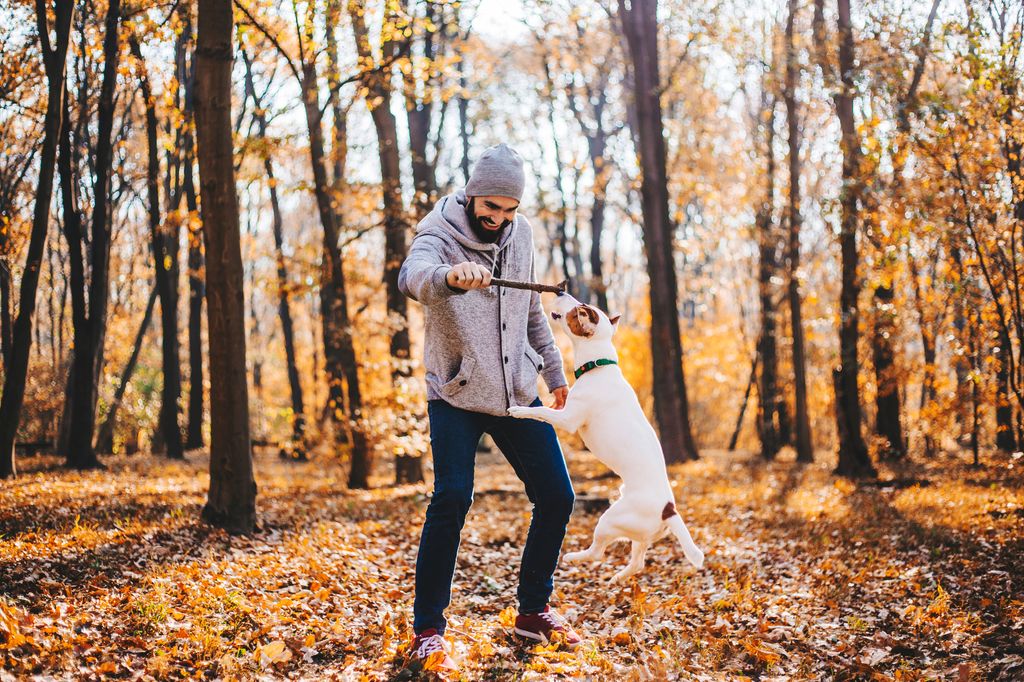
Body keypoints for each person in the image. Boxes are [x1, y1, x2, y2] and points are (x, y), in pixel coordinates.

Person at [398, 144, 581, 669]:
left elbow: (530, 312)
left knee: (557, 496)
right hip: (456, 391)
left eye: (509, 209)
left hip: (517, 391)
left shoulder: (521, 235)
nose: (498, 219)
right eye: (491, 207)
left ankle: (532, 611)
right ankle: (429, 628)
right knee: (452, 498)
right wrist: (449, 278)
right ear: (473, 193)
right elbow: (414, 275)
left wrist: (553, 372)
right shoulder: (440, 230)